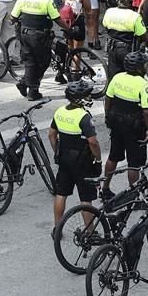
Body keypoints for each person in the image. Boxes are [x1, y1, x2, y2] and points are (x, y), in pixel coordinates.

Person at [101, 51, 148, 201]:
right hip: (134, 127)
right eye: (145, 64)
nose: (147, 67)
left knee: (113, 156)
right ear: (139, 68)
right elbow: (147, 112)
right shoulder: (143, 85)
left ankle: (105, 189)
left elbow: (108, 99)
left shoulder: (117, 78)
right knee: (134, 163)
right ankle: (134, 195)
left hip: (116, 123)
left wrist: (107, 117)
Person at [49, 80, 101, 228]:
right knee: (86, 199)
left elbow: (52, 135)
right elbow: (93, 142)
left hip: (65, 159)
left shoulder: (59, 111)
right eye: (87, 95)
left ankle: (57, 228)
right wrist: (97, 159)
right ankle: (90, 232)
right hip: (83, 162)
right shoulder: (84, 116)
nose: (89, 97)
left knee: (61, 194)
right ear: (79, 99)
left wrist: (57, 152)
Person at [10, 0, 68, 100]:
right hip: (40, 36)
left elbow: (12, 18)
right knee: (42, 62)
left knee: (30, 62)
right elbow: (57, 19)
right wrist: (69, 29)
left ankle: (26, 85)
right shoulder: (47, 0)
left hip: (24, 35)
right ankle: (32, 90)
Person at [101, 0, 147, 82]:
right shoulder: (135, 16)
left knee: (113, 77)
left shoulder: (109, 12)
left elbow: (105, 26)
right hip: (127, 49)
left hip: (112, 48)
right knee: (130, 77)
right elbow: (143, 35)